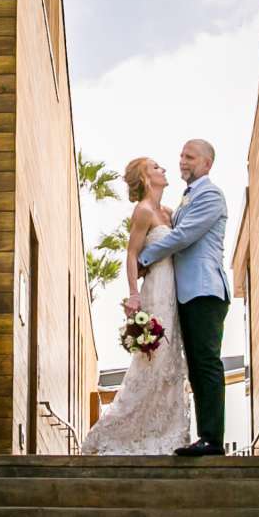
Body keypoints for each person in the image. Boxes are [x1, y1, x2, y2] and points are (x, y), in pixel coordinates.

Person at [82, 156, 190, 455]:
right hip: (156, 287)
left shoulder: (168, 212)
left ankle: (167, 429)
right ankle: (117, 430)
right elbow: (131, 254)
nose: (164, 169)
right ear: (145, 178)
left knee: (171, 362)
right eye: (156, 167)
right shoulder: (143, 211)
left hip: (176, 289)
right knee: (153, 360)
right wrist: (133, 294)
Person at [136, 137, 230, 456]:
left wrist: (143, 258)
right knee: (195, 366)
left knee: (206, 363)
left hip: (205, 290)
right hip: (187, 294)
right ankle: (205, 436)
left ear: (206, 164)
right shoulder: (185, 198)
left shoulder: (211, 196)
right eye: (181, 155)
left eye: (190, 156)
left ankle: (213, 440)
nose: (182, 161)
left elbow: (183, 236)